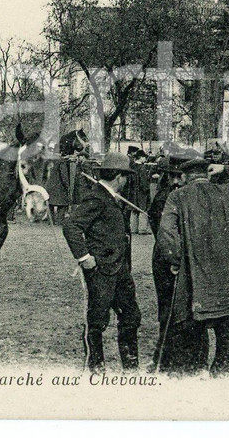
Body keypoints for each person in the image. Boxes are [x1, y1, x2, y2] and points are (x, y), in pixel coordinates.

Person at [154, 158, 229, 376]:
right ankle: (223, 386)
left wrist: (176, 262)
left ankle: (196, 382)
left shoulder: (177, 196)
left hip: (198, 284)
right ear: (209, 174)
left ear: (184, 177)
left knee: (193, 340)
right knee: (228, 347)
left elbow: (165, 234)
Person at [62, 152, 141, 373]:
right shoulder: (97, 197)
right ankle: (96, 368)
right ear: (118, 177)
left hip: (121, 270)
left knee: (131, 317)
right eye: (126, 177)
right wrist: (84, 257)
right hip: (102, 271)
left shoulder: (109, 197)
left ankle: (131, 368)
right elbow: (71, 226)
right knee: (97, 321)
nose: (127, 181)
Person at [147, 155, 200, 373]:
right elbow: (161, 230)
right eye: (175, 177)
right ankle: (165, 359)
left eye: (181, 177)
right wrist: (175, 256)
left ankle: (185, 358)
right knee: (170, 312)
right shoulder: (166, 198)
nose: (178, 181)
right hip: (169, 260)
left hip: (179, 258)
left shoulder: (181, 197)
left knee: (188, 310)